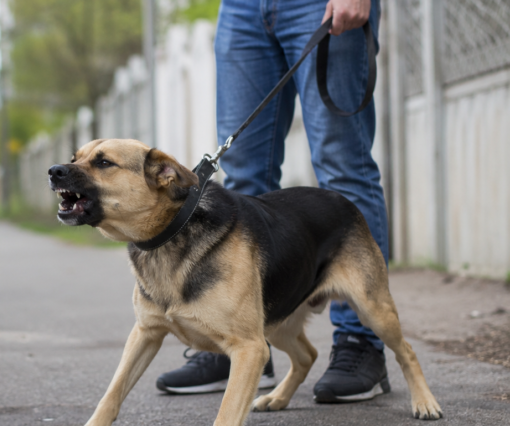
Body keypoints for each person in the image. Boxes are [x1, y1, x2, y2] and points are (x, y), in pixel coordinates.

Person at [157, 0, 390, 403]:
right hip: (242, 9)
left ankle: (360, 339)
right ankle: (240, 339)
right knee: (244, 174)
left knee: (342, 168)